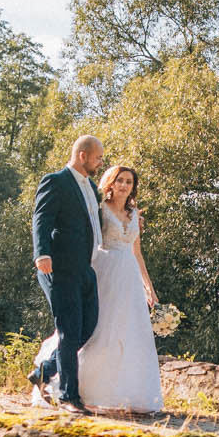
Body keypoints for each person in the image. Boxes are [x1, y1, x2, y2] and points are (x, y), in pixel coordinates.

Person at [77, 163, 164, 414]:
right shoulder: (100, 209)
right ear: (110, 183)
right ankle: (85, 389)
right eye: (120, 180)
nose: (124, 185)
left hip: (130, 277)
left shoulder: (135, 213)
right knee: (101, 328)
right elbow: (90, 243)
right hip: (105, 271)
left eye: (129, 182)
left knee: (129, 332)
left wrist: (149, 287)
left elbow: (137, 252)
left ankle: (124, 393)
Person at [30, 136, 104, 413]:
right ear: (83, 155)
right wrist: (42, 253)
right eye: (98, 157)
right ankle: (68, 397)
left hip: (86, 268)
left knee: (89, 327)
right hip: (59, 267)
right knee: (69, 330)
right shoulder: (56, 181)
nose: (100, 162)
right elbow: (41, 218)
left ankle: (43, 371)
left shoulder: (92, 188)